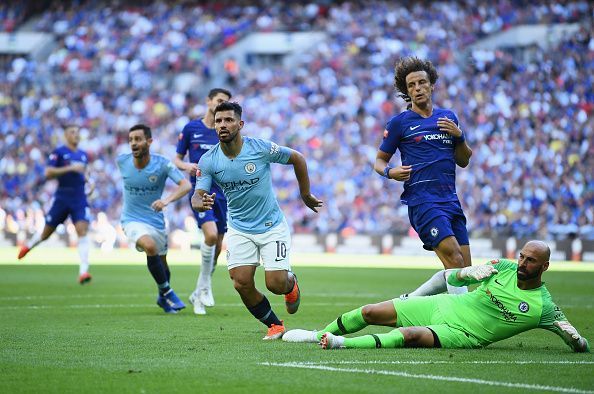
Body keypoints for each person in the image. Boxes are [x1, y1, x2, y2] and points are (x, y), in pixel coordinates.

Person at [283, 241, 590, 353]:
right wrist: (468, 273)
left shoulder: (544, 307)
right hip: (445, 305)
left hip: (463, 333)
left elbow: (576, 341)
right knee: (370, 312)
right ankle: (318, 333)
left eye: (530, 260)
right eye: (522, 257)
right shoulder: (503, 267)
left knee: (409, 335)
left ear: (545, 266)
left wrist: (577, 340)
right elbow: (451, 277)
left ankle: (339, 343)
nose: (522, 263)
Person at [191, 102, 323, 339]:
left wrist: (305, 194)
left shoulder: (259, 148)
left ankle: (291, 284)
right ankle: (275, 324)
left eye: (228, 120)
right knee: (240, 282)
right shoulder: (208, 160)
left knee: (275, 284)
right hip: (240, 228)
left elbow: (298, 158)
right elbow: (197, 195)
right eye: (218, 121)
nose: (223, 124)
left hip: (272, 226)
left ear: (240, 124)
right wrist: (199, 201)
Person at [374, 56, 474, 297]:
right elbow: (379, 160)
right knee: (455, 260)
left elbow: (464, 160)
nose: (417, 88)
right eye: (411, 85)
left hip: (450, 200)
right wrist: (390, 172)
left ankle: (410, 301)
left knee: (465, 270)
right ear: (406, 91)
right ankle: (463, 324)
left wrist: (459, 136)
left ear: (432, 85)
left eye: (421, 82)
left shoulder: (448, 117)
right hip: (422, 201)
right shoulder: (400, 123)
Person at [117, 124, 192, 314]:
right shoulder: (122, 162)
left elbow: (185, 186)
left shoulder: (162, 164)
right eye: (131, 139)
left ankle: (162, 296)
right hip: (131, 219)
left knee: (163, 266)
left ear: (149, 142)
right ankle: (168, 292)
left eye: (138, 139)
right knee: (149, 247)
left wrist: (165, 200)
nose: (133, 143)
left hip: (156, 221)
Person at [173, 88, 232, 315]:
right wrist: (188, 166)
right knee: (208, 235)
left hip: (223, 193)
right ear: (208, 101)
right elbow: (177, 159)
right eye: (219, 101)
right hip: (200, 192)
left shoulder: (225, 131)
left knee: (217, 246)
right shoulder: (191, 128)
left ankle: (199, 291)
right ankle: (204, 290)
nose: (221, 105)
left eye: (226, 103)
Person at [18, 125, 93, 284]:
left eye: (77, 133)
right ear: (66, 136)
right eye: (72, 132)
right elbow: (48, 173)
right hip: (62, 196)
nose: (76, 135)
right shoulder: (58, 153)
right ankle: (29, 245)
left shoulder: (83, 155)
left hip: (79, 197)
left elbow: (84, 172)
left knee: (82, 230)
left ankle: (84, 272)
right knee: (46, 233)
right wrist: (70, 168)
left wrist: (89, 182)